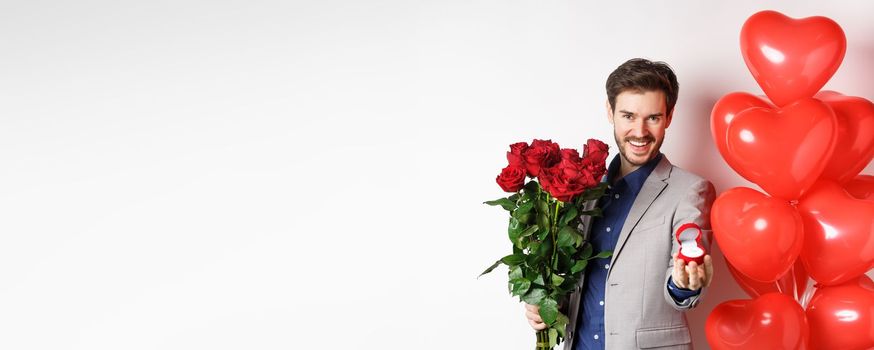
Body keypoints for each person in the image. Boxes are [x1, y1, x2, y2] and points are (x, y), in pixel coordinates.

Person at [524, 58, 716, 350]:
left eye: (653, 117)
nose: (640, 131)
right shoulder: (583, 189)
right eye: (628, 116)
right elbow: (577, 281)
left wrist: (684, 283)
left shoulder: (690, 190)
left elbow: (684, 277)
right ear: (610, 112)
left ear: (669, 116)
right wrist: (545, 304)